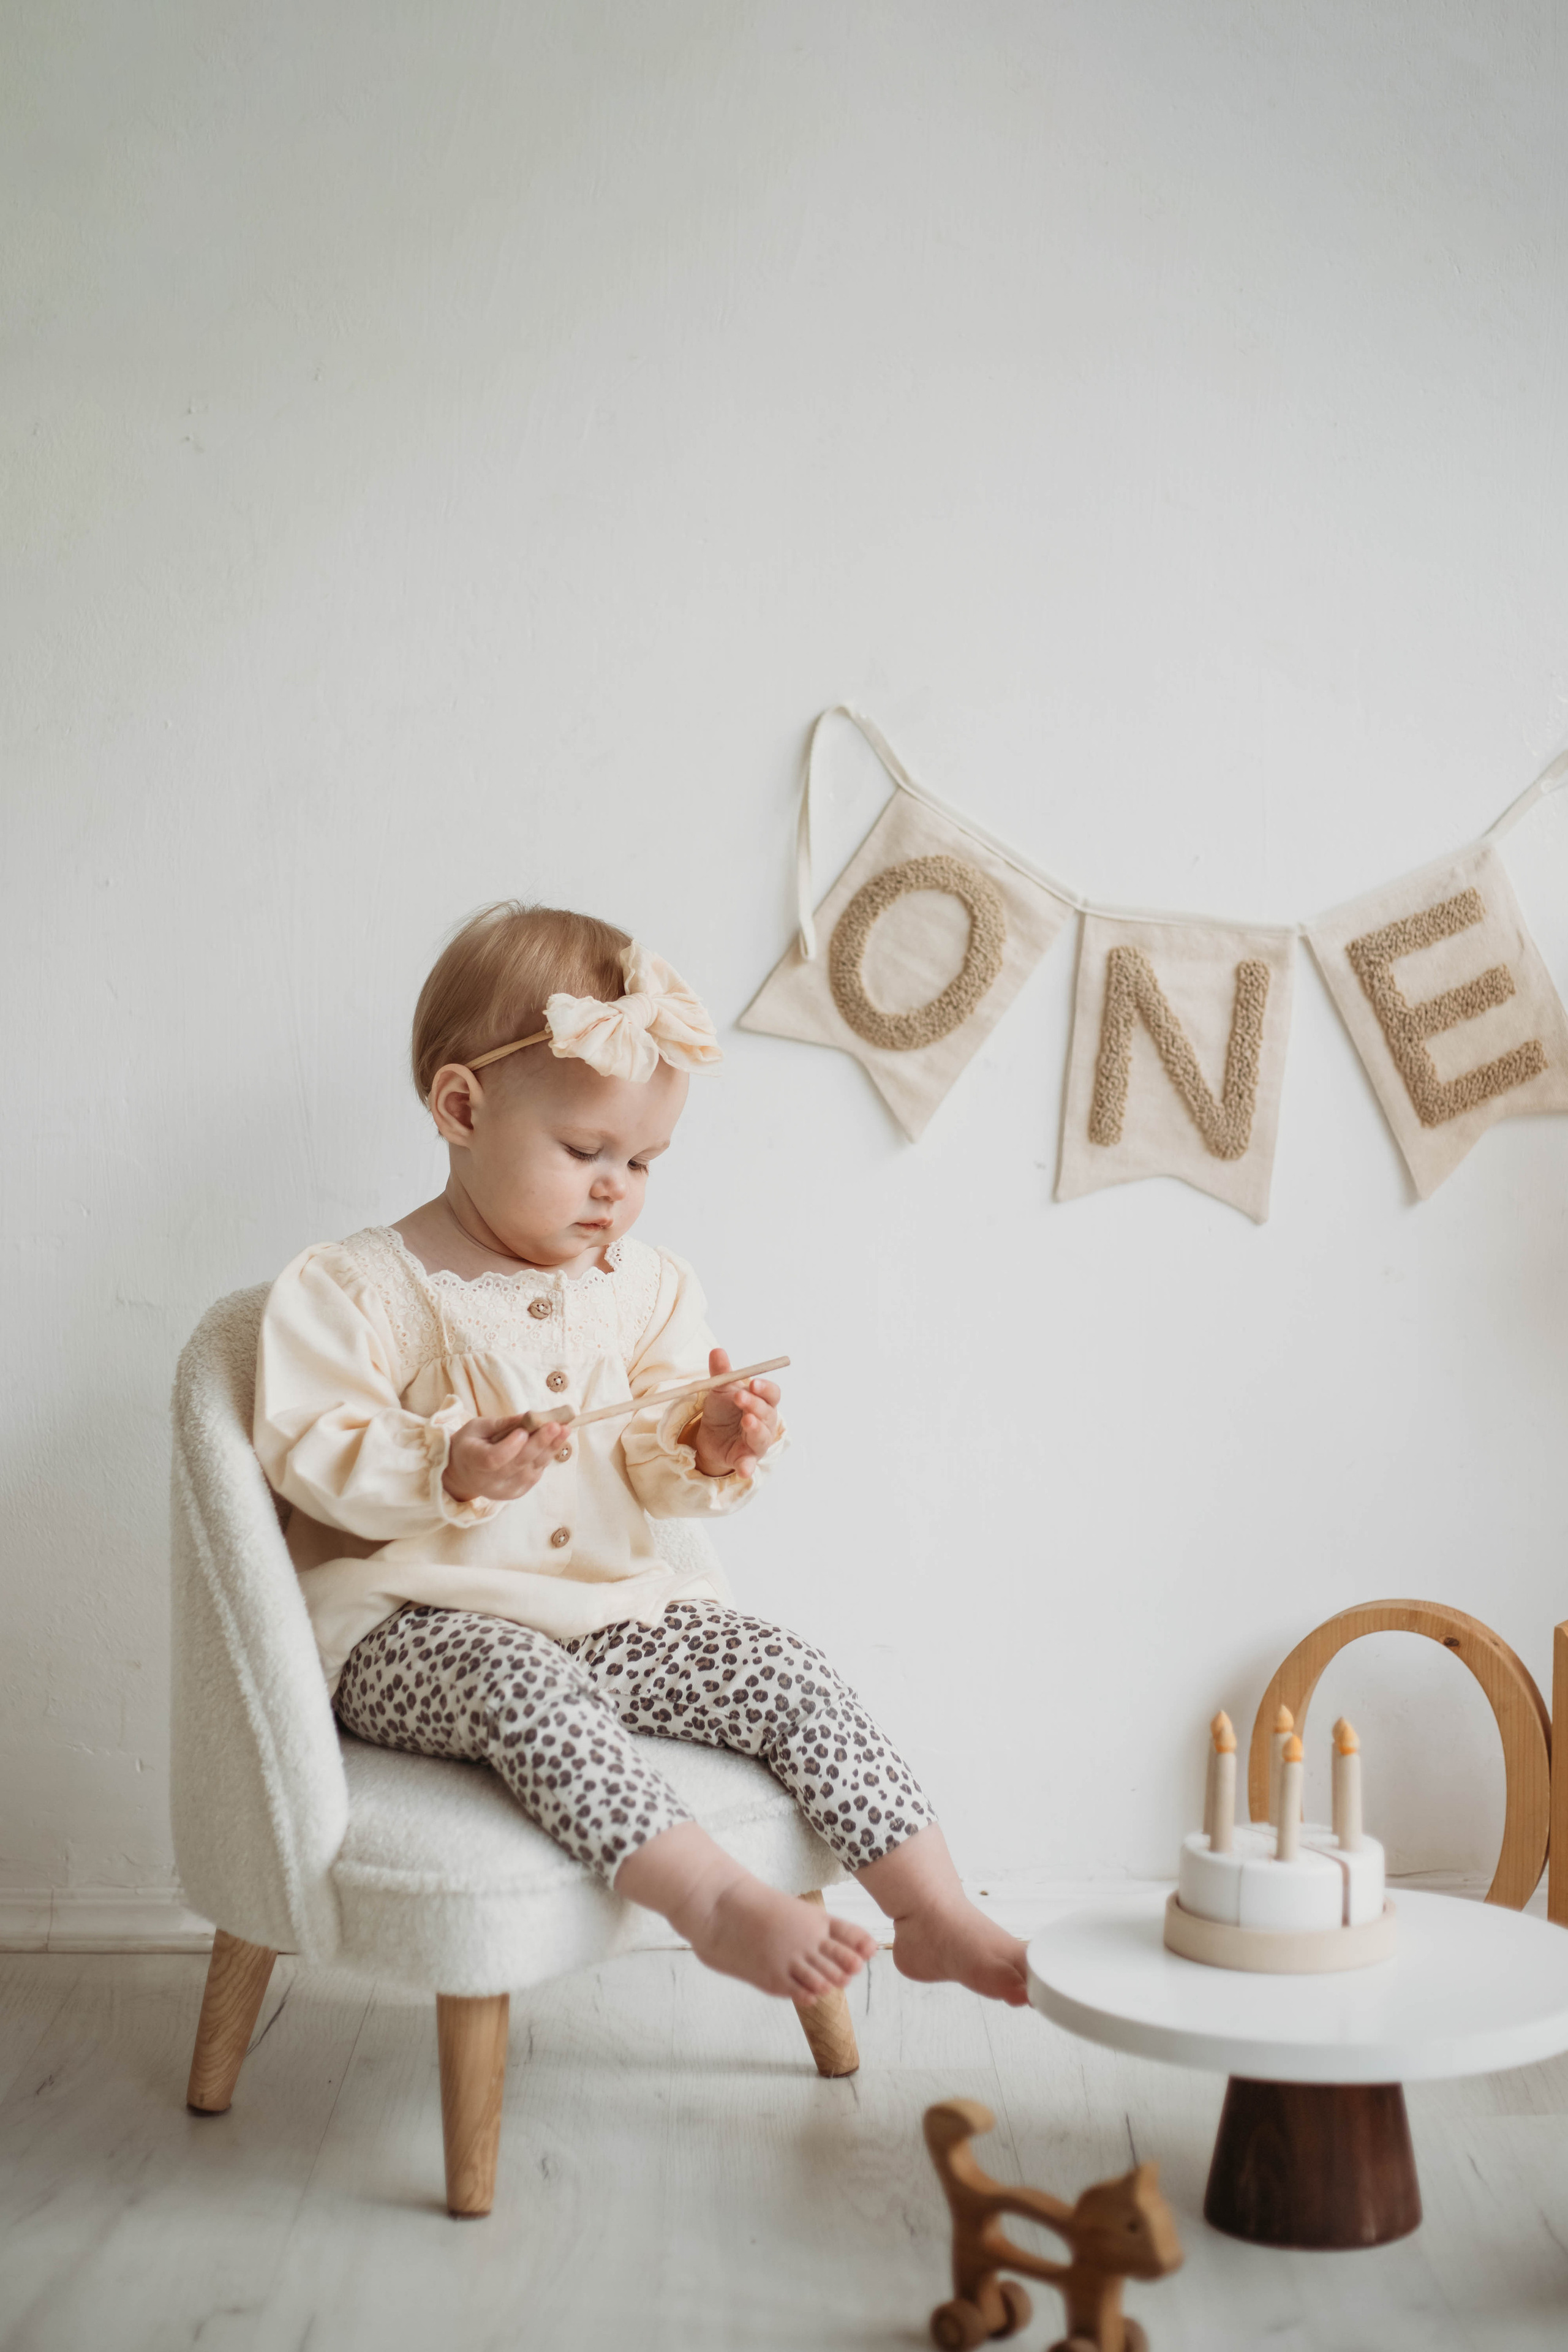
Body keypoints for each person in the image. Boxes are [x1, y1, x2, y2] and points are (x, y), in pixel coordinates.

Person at [255, 902, 1028, 2008]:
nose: (617, 1186)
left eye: (645, 1159)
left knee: (777, 1664)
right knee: (519, 1681)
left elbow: (652, 1462)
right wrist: (450, 1467)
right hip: (411, 1631)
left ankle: (937, 1912)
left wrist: (705, 1442)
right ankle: (708, 1901)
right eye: (584, 1152)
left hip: (613, 1620)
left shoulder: (646, 1289)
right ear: (461, 1106)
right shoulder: (356, 1289)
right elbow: (309, 1452)